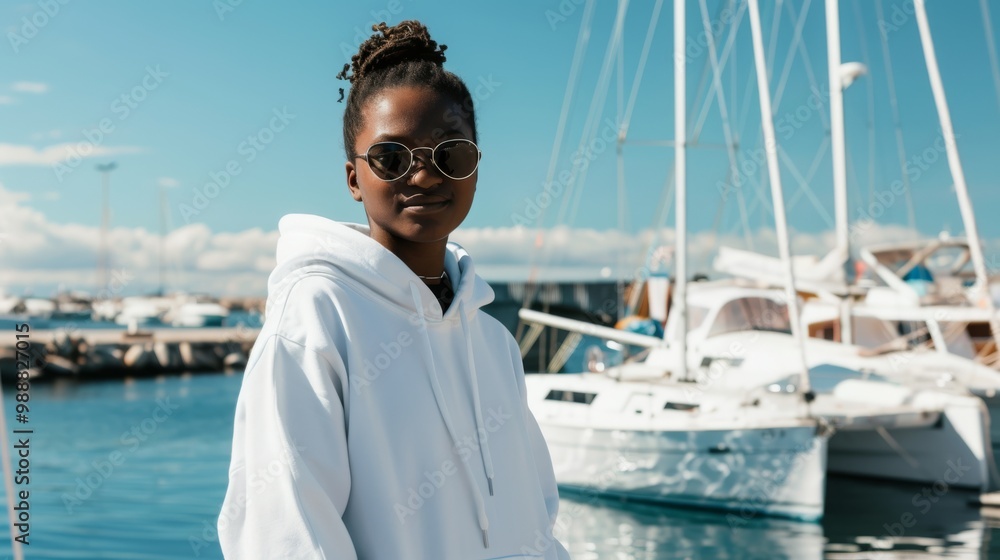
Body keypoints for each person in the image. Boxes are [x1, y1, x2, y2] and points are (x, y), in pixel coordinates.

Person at [218, 20, 570, 560]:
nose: (425, 176)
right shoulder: (317, 316)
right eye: (391, 158)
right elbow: (282, 534)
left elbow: (536, 521)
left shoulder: (494, 343)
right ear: (354, 178)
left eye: (449, 153)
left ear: (475, 165)